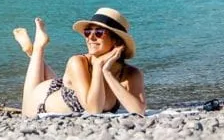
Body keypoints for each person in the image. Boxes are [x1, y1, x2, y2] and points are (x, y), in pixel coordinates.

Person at [14, 7, 146, 118]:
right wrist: (99, 66)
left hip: (71, 86)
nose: (91, 37)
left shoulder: (131, 74)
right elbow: (94, 110)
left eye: (99, 32)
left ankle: (32, 53)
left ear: (116, 41)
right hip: (42, 100)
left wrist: (107, 72)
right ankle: (38, 48)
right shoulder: (77, 62)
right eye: (88, 32)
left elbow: (138, 111)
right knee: (26, 114)